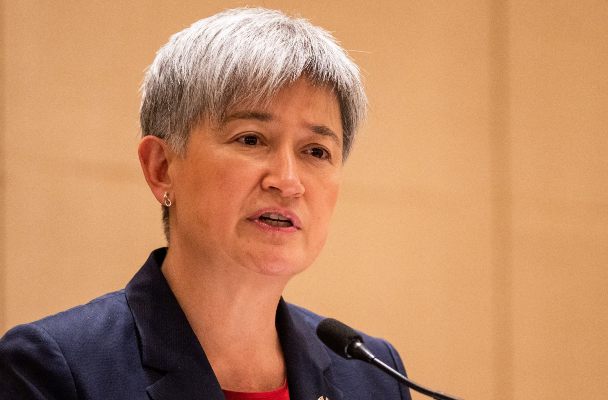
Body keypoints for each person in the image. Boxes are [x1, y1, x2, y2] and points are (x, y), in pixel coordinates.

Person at [0, 8, 411, 400]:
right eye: (251, 139)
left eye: (316, 151)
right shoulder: (55, 369)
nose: (288, 182)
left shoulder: (373, 376)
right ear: (162, 168)